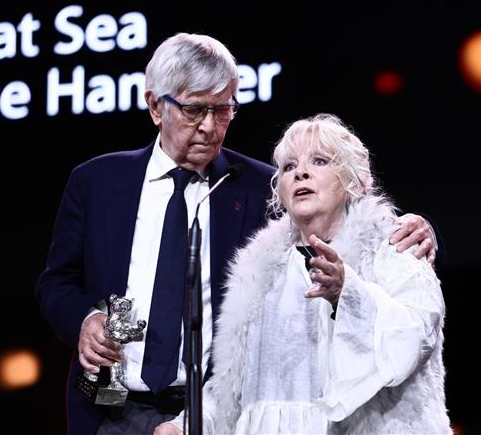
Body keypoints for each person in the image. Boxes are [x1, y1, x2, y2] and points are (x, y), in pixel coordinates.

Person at [36, 33, 442, 435]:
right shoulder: (97, 182)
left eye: (223, 110)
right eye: (194, 110)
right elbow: (57, 282)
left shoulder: (262, 187)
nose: (209, 127)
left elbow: (343, 215)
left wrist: (421, 228)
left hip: (213, 411)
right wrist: (86, 319)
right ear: (156, 106)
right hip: (112, 406)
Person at [154, 114, 450, 435]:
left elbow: (415, 336)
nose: (301, 173)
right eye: (289, 167)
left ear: (355, 181)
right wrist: (183, 426)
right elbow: (234, 386)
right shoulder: (259, 273)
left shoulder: (394, 245)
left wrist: (347, 294)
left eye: (319, 161)